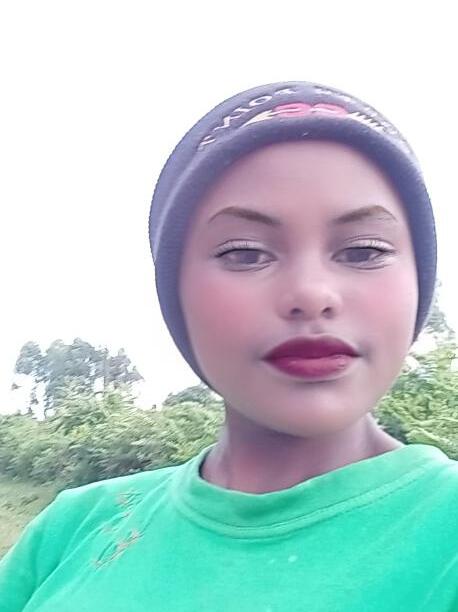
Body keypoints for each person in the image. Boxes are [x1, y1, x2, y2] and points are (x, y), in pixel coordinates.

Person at [0, 81, 457, 611]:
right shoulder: (74, 528)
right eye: (244, 253)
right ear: (175, 292)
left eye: (363, 251)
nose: (311, 295)